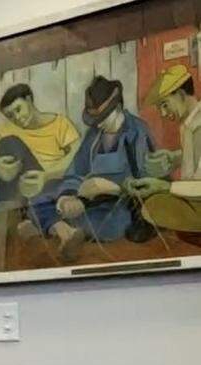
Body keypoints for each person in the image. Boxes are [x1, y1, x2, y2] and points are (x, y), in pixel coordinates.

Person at [29, 76, 159, 260]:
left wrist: (112, 187)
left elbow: (147, 180)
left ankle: (54, 226)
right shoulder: (95, 135)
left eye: (103, 118)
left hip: (119, 206)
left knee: (101, 224)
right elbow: (77, 170)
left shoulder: (137, 131)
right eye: (95, 119)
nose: (98, 123)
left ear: (118, 107)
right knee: (37, 197)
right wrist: (68, 195)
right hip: (86, 200)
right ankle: (65, 231)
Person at [128, 65, 201, 241]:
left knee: (152, 206)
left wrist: (166, 187)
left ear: (181, 95)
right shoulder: (189, 122)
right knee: (150, 203)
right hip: (191, 197)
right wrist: (174, 158)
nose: (162, 113)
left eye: (165, 105)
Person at [0, 83, 81, 204]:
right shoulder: (11, 128)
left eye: (18, 109)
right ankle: (11, 206)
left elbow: (77, 156)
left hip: (53, 178)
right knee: (7, 143)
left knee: (10, 142)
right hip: (26, 182)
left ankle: (14, 206)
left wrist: (46, 175)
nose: (16, 117)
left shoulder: (60, 123)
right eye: (10, 116)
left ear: (29, 100)